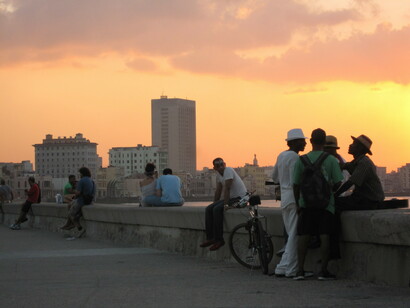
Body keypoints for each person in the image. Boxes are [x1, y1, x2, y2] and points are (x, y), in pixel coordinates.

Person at [293, 129, 343, 280]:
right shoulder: (331, 160)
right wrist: (329, 191)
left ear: (311, 141)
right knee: (325, 235)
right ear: (324, 142)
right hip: (326, 205)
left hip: (306, 204)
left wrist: (298, 203)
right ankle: (323, 271)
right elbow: (338, 181)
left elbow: (296, 184)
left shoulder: (301, 160)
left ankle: (300, 270)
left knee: (304, 236)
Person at [272, 128, 307, 278]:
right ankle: (291, 269)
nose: (305, 143)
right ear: (294, 142)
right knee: (294, 235)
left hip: (284, 199)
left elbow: (274, 177)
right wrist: (300, 202)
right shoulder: (294, 157)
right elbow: (295, 182)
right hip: (293, 198)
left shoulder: (281, 155)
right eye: (302, 141)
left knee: (291, 233)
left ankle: (282, 267)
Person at [200, 158, 247, 251]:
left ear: (224, 164)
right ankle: (210, 238)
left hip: (239, 197)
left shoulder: (228, 170)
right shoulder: (218, 175)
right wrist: (214, 203)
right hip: (231, 198)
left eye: (222, 164)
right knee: (209, 209)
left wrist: (225, 205)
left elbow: (227, 188)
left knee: (217, 209)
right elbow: (218, 190)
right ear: (215, 168)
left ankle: (219, 240)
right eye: (218, 166)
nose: (221, 167)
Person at [335, 135, 385, 210]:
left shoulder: (364, 163)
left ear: (360, 148)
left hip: (370, 200)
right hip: (362, 198)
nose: (350, 145)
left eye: (354, 144)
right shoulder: (356, 161)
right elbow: (343, 165)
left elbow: (350, 182)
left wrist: (335, 195)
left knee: (336, 203)